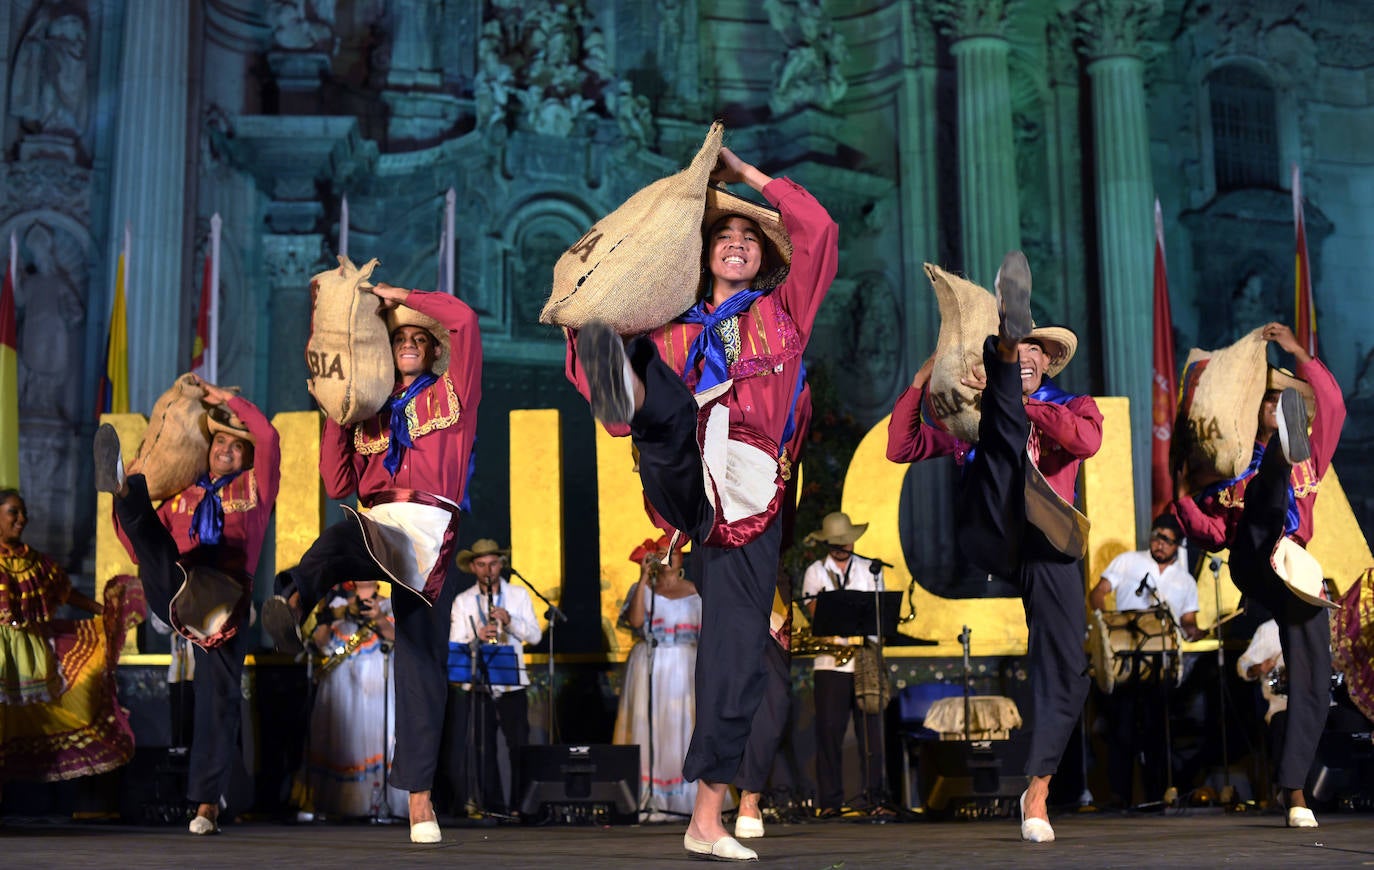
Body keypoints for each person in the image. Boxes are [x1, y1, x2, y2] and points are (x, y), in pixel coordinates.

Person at [567, 146, 837, 860]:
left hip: (752, 486)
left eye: (750, 236)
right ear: (704, 254)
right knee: (652, 402)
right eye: (726, 236)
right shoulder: (672, 321)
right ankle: (616, 375)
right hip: (685, 461)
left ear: (764, 257)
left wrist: (748, 178)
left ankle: (707, 818)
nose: (740, 243)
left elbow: (817, 230)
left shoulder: (784, 311)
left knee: (739, 655)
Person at [886, 251, 1102, 843]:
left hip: (1047, 541)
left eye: (1031, 351)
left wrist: (1019, 400)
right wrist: (921, 380)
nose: (1029, 357)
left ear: (1046, 365)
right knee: (993, 429)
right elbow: (899, 448)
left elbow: (1086, 441)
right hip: (993, 524)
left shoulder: (1069, 407)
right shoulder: (968, 424)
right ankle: (996, 360)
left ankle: (1038, 789)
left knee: (1069, 669)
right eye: (1017, 348)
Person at [262, 280, 481, 844]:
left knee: (421, 662)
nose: (408, 343)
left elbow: (462, 321)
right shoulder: (372, 415)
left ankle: (419, 800)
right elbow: (338, 482)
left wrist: (401, 296)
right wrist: (341, 409)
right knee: (337, 541)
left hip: (429, 533)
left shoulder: (454, 393)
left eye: (416, 338)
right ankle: (293, 604)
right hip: (378, 527)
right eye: (398, 338)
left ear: (432, 350)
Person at [1172, 322, 1345, 828]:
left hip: (1293, 568)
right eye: (1269, 402)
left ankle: (1295, 792)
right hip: (1252, 555)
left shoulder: (1312, 456)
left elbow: (1333, 405)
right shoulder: (1230, 474)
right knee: (1266, 493)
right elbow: (1212, 533)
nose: (1272, 405)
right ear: (1255, 411)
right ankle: (1274, 468)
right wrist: (1183, 499)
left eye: (1281, 402)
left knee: (1312, 680)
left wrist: (1297, 352)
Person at [94, 377, 281, 834]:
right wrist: (131, 509)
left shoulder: (256, 490)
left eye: (236, 447)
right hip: (178, 590)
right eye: (219, 442)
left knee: (218, 701)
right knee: (150, 537)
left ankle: (205, 805)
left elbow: (270, 437)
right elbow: (138, 549)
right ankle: (124, 486)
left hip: (226, 603)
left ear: (247, 457)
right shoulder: (181, 495)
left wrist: (225, 400)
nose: (225, 451)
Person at [0, 490, 140, 793]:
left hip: (30, 655)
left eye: (23, 513)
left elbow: (66, 594)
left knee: (20, 724)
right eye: (13, 512)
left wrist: (103, 612)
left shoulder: (35, 561)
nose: (21, 519)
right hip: (3, 654)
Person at [735, 376, 811, 839]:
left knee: (776, 698)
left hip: (770, 582)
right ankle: (723, 798)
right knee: (729, 697)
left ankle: (749, 798)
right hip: (728, 572)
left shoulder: (782, 443)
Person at [1089, 513, 1201, 807]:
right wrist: (1103, 621)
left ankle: (1156, 796)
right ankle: (1119, 796)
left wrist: (1195, 631)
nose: (1158, 543)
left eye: (1166, 539)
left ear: (1178, 545)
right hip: (1126, 660)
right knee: (1121, 729)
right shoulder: (1129, 561)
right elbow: (1099, 592)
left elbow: (1188, 621)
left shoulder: (1185, 581)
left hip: (1161, 665)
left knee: (1157, 730)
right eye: (1156, 535)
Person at [800, 511, 888, 818]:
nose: (843, 547)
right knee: (829, 732)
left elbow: (878, 613)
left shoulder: (870, 570)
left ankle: (874, 798)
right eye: (837, 543)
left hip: (864, 659)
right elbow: (817, 613)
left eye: (846, 542)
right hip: (830, 663)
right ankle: (830, 802)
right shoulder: (815, 571)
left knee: (872, 734)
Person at [445, 539, 541, 817]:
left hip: (511, 682)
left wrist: (510, 621)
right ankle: (493, 806)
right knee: (482, 747)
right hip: (478, 682)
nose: (488, 569)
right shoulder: (463, 601)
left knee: (519, 744)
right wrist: (477, 636)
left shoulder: (518, 596)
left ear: (501, 564)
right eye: (481, 564)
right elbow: (455, 642)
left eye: (493, 563)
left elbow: (534, 636)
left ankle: (521, 805)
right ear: (473, 568)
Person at [297, 579, 405, 820]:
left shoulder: (389, 605)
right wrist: (333, 617)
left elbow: (399, 639)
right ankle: (336, 804)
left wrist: (377, 618)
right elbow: (320, 645)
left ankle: (378, 804)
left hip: (377, 678)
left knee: (378, 736)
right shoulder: (336, 604)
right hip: (342, 682)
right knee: (343, 737)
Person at [613, 534, 701, 820]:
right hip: (651, 665)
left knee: (683, 727)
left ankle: (687, 799)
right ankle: (647, 796)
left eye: (673, 553)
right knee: (648, 725)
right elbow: (636, 621)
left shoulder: (696, 592)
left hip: (685, 665)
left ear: (682, 558)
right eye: (662, 553)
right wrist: (642, 578)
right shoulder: (644, 589)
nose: (668, 559)